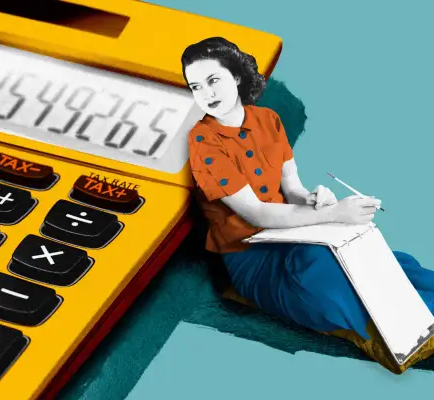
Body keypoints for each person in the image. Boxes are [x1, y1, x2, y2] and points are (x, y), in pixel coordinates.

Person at [182, 36, 434, 342]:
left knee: (385, 263)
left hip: (296, 233)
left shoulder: (268, 120)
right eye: (196, 87)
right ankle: (408, 323)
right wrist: (334, 213)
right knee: (324, 286)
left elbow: (293, 188)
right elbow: (258, 213)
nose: (207, 93)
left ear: (235, 76)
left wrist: (315, 199)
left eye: (213, 80)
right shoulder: (203, 142)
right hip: (250, 254)